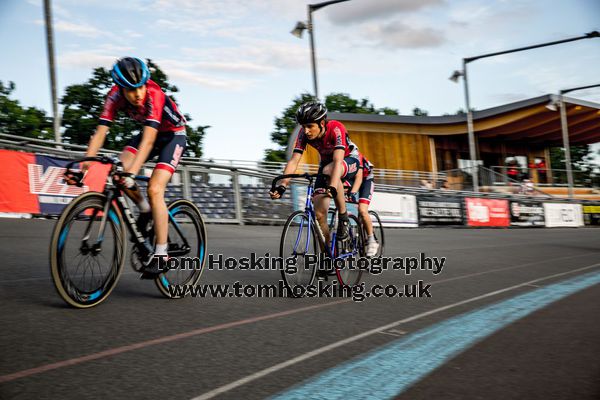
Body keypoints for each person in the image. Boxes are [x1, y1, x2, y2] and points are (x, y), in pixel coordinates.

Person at [66, 57, 187, 277]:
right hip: (149, 134)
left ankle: (161, 254)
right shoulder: (113, 97)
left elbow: (148, 141)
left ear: (146, 83)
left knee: (154, 189)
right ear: (120, 89)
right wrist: (83, 167)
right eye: (130, 90)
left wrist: (132, 173)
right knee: (119, 172)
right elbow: (100, 133)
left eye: (140, 86)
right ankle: (144, 208)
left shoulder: (154, 96)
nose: (137, 94)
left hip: (173, 136)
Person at [270, 101, 360, 246]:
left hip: (348, 160)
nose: (306, 131)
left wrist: (332, 186)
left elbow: (337, 161)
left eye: (310, 126)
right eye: (304, 127)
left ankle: (343, 218)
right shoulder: (303, 134)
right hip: (326, 165)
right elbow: (294, 161)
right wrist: (283, 186)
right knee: (319, 214)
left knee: (329, 170)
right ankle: (328, 254)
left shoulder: (336, 128)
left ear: (322, 124)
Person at [346, 153, 379, 256]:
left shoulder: (354, 154)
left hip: (366, 178)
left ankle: (372, 240)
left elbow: (359, 179)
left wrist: (352, 193)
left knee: (362, 210)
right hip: (351, 178)